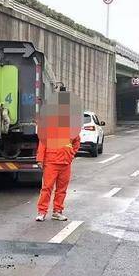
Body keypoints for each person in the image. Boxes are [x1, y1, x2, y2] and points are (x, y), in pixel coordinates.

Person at [35, 92, 80, 222]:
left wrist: (71, 154)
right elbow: (42, 144)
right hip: (52, 162)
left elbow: (76, 141)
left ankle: (57, 211)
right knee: (47, 188)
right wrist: (40, 160)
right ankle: (42, 212)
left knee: (62, 190)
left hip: (65, 163)